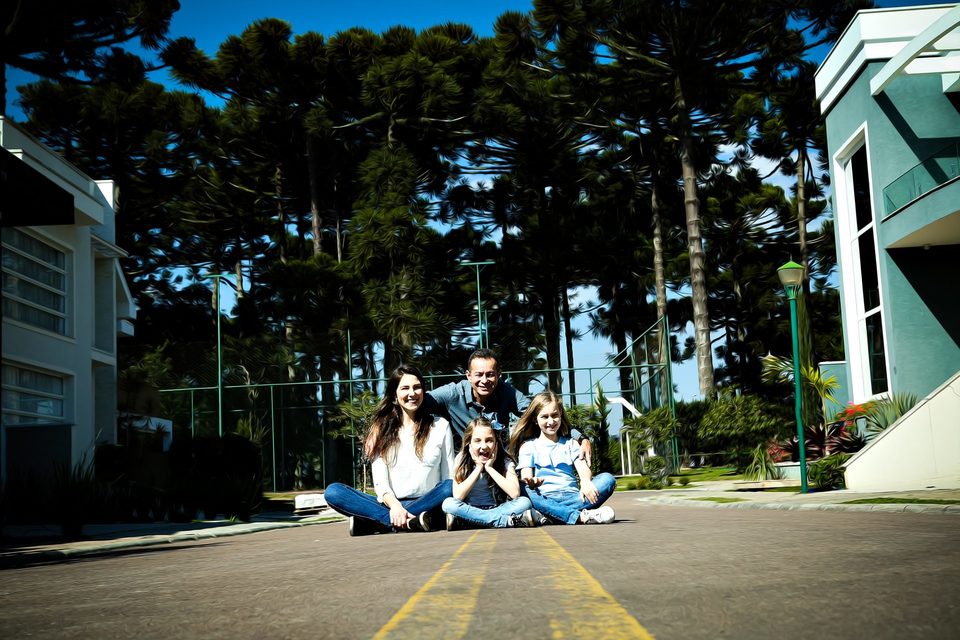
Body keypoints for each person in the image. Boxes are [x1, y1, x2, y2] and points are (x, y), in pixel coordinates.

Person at [324, 365, 455, 536]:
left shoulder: (441, 426)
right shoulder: (381, 430)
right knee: (334, 492)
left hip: (429, 501)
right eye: (405, 388)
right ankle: (409, 521)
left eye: (417, 387)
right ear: (394, 395)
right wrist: (395, 507)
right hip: (390, 503)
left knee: (450, 486)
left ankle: (378, 523)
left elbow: (448, 477)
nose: (412, 393)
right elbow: (381, 483)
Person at [425, 349, 592, 465]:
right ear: (468, 376)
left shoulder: (507, 393)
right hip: (465, 465)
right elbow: (419, 400)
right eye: (479, 375)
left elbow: (542, 414)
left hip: (499, 465)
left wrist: (581, 437)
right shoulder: (452, 394)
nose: (484, 380)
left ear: (499, 375)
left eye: (490, 374)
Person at [508, 391, 616, 525]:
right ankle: (578, 516)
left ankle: (549, 515)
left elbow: (583, 468)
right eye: (545, 417)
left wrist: (585, 481)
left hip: (575, 497)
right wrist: (531, 481)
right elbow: (526, 475)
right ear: (536, 419)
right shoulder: (528, 446)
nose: (551, 421)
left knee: (608, 480)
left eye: (555, 415)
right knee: (522, 488)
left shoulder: (571, 443)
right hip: (544, 498)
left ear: (560, 415)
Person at [441, 417, 534, 530]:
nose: (484, 446)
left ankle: (471, 521)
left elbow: (515, 493)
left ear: (496, 443)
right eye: (477, 441)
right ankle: (505, 521)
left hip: (498, 508)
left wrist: (490, 468)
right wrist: (478, 468)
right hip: (470, 508)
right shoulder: (461, 459)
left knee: (525, 502)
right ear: (469, 443)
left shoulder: (504, 460)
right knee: (448, 504)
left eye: (489, 440)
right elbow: (458, 496)